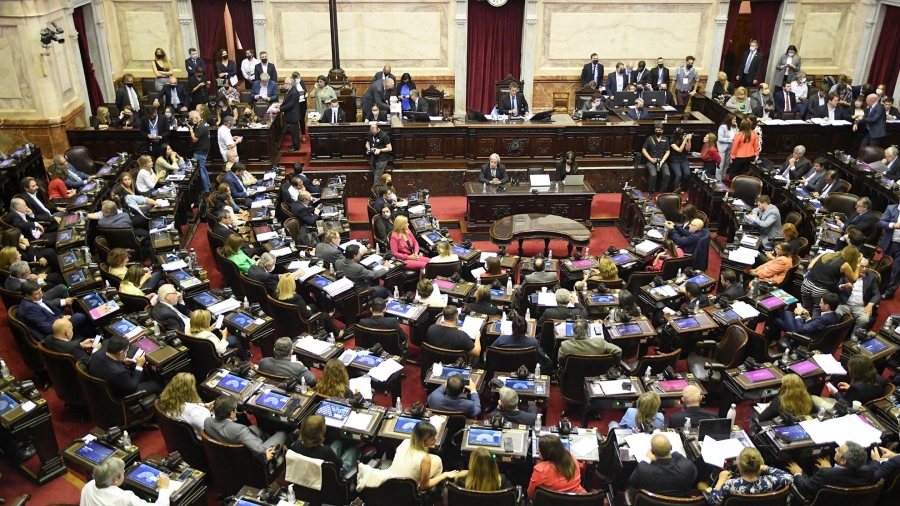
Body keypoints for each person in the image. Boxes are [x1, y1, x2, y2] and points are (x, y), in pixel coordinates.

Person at [204, 395, 285, 465]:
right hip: (250, 462)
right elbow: (260, 452)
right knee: (281, 434)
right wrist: (265, 455)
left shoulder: (207, 421)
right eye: (235, 409)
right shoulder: (240, 430)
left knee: (254, 428)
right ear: (231, 414)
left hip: (226, 457)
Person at [788, 441, 875, 498]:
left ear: (843, 460)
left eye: (839, 450)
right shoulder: (868, 471)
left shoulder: (826, 474)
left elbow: (805, 488)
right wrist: (830, 469)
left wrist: (798, 473)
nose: (835, 449)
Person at [388, 421, 457, 491]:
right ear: (423, 441)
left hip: (391, 482)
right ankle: (432, 492)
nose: (435, 440)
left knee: (437, 459)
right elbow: (424, 486)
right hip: (408, 490)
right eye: (432, 439)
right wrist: (444, 475)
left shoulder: (405, 441)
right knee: (438, 465)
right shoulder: (425, 458)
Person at [707, 447, 792, 505]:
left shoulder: (730, 485)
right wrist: (765, 467)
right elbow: (789, 477)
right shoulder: (769, 482)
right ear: (759, 465)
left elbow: (712, 501)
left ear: (740, 467)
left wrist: (721, 481)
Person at [89, 335, 163, 396]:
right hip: (120, 392)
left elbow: (109, 363)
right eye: (126, 351)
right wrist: (139, 366)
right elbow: (131, 388)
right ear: (121, 353)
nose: (126, 353)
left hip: (107, 383)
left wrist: (123, 362)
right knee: (156, 384)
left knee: (144, 375)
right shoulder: (119, 372)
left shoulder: (96, 354)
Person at [276, 273, 343, 339]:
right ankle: (337, 334)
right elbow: (307, 315)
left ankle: (324, 322)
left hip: (288, 319)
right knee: (325, 315)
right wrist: (311, 311)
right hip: (303, 324)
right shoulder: (296, 298)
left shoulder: (276, 294)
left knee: (313, 306)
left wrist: (307, 308)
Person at [80, 456, 171, 505]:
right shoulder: (124, 497)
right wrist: (163, 488)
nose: (124, 472)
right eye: (123, 472)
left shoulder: (88, 486)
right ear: (116, 479)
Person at [629, 433, 696, 497]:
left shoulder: (643, 470)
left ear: (652, 451)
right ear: (671, 447)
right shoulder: (687, 467)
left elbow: (631, 483)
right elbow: (693, 474)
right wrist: (667, 449)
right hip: (681, 502)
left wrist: (648, 458)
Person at [291, 414, 358, 475]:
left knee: (339, 442)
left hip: (309, 472)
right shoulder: (326, 451)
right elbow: (340, 463)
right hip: (329, 476)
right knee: (353, 450)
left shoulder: (296, 444)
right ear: (321, 433)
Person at [17, 280, 82, 341]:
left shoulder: (33, 299)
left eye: (41, 291)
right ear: (27, 295)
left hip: (55, 319)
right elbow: (47, 329)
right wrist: (63, 320)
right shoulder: (30, 309)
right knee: (79, 316)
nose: (41, 294)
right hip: (52, 333)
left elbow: (49, 305)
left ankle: (80, 336)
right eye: (37, 293)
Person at [802, 246, 860, 312]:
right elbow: (854, 279)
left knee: (805, 308)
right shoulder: (845, 265)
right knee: (817, 310)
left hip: (807, 283)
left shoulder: (827, 254)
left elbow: (810, 267)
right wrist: (858, 264)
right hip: (820, 289)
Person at [767, 292, 841, 343]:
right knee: (778, 320)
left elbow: (801, 329)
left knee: (786, 313)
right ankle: (774, 337)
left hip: (802, 336)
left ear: (827, 306)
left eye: (821, 303)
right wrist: (808, 318)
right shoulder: (835, 316)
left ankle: (769, 338)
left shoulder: (823, 319)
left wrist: (798, 315)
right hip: (809, 332)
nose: (819, 304)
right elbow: (815, 326)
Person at [158, 372, 212, 438]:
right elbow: (210, 429)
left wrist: (203, 405)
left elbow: (187, 406)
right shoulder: (194, 411)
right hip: (201, 439)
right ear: (190, 391)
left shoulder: (168, 401)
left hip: (180, 437)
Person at [837, 257, 880, 335]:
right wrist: (843, 286)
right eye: (862, 266)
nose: (864, 269)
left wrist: (871, 303)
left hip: (860, 307)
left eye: (866, 267)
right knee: (836, 313)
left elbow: (877, 294)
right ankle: (835, 335)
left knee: (864, 319)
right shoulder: (848, 273)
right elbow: (836, 286)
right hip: (845, 304)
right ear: (856, 266)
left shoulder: (871, 277)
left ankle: (853, 337)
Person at [185, 110, 211, 194]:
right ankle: (209, 185)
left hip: (200, 151)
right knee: (203, 168)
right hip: (204, 149)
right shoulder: (204, 123)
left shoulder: (201, 127)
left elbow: (194, 139)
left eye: (191, 119)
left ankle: (206, 190)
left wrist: (191, 130)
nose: (191, 120)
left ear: (196, 117)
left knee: (201, 170)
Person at [642, 122, 670, 197]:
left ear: (662, 131)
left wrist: (662, 161)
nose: (658, 131)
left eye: (659, 130)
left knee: (667, 174)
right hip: (651, 161)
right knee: (653, 175)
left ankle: (662, 192)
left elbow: (668, 151)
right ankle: (651, 192)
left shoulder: (665, 139)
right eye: (656, 130)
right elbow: (644, 149)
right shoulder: (650, 139)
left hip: (662, 161)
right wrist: (650, 159)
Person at [280, 77, 302, 152]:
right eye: (284, 83)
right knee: (293, 132)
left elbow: (290, 104)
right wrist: (280, 106)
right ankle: (294, 144)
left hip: (293, 115)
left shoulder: (294, 92)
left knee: (294, 132)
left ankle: (296, 146)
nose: (285, 84)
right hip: (290, 114)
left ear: (291, 84)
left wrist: (280, 109)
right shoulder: (288, 91)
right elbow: (285, 102)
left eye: (286, 83)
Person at [668, 128, 692, 192]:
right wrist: (685, 140)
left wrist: (689, 140)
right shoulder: (672, 141)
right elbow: (679, 150)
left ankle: (682, 187)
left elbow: (688, 149)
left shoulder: (683, 139)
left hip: (683, 159)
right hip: (674, 160)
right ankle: (676, 189)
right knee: (679, 175)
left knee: (687, 174)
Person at [716, 114, 738, 180]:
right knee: (721, 165)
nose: (735, 120)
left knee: (726, 165)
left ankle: (722, 179)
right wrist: (731, 139)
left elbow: (738, 134)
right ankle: (718, 181)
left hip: (730, 148)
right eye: (734, 119)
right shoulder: (723, 127)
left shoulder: (735, 126)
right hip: (722, 148)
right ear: (729, 119)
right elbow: (720, 139)